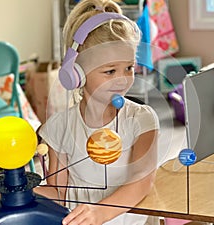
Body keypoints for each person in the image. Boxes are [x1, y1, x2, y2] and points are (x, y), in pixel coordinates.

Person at [35, 0, 160, 224]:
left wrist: (100, 213)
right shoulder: (58, 128)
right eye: (110, 71)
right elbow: (59, 194)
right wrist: (18, 194)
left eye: (129, 68)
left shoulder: (142, 119)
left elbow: (141, 182)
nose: (122, 79)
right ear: (77, 73)